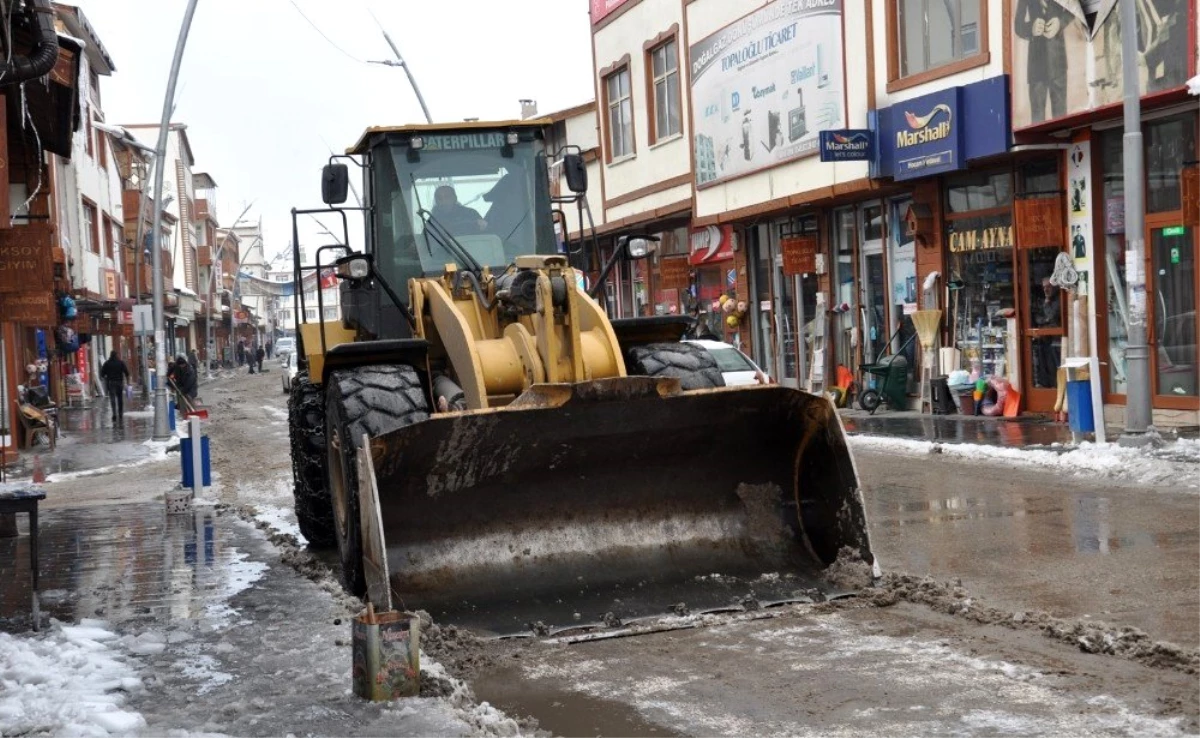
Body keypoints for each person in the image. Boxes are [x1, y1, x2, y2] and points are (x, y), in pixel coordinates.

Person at [1014, 0, 1073, 124]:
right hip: (1036, 63)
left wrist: (1060, 23)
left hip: (1058, 59)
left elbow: (1074, 9)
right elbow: (1018, 25)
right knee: (1037, 117)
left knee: (1061, 117)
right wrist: (1031, 28)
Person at [99, 350, 130, 422]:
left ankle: (114, 413)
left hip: (111, 383)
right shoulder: (121, 363)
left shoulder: (107, 363)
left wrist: (107, 377)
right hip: (119, 383)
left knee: (112, 399)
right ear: (117, 355)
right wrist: (128, 383)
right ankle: (120, 414)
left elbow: (102, 374)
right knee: (120, 399)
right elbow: (127, 373)